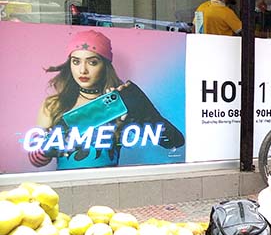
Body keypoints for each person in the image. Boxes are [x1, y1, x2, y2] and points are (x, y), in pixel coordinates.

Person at [30, 30, 184, 170]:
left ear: (105, 65)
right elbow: (35, 160)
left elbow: (174, 141)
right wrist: (49, 145)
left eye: (92, 62)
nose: (82, 70)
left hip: (109, 187)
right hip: (68, 187)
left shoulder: (118, 103)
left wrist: (143, 111)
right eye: (76, 61)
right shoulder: (54, 104)